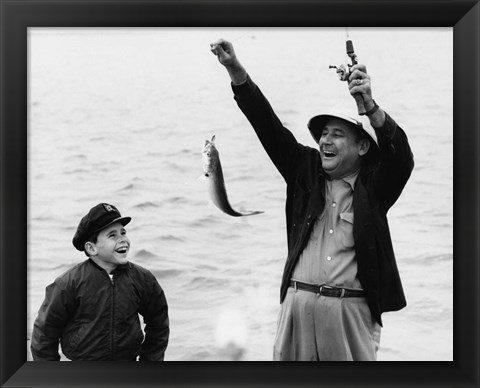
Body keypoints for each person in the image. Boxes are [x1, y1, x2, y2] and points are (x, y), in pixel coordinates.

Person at [210, 39, 414, 361]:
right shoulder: (303, 170)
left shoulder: (376, 186)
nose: (324, 141)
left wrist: (371, 108)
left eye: (337, 133)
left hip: (350, 317)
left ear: (362, 147)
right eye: (323, 134)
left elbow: (401, 157)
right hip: (296, 312)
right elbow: (267, 125)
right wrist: (235, 70)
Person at [31, 203, 170, 361]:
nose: (122, 239)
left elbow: (159, 321)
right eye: (112, 235)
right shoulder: (68, 283)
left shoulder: (142, 279)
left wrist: (150, 362)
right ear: (91, 249)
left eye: (123, 233)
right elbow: (45, 332)